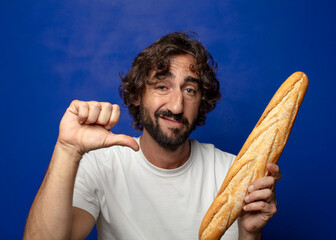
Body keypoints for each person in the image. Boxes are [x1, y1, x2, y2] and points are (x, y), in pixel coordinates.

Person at [24, 32, 280, 240]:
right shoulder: (101, 166)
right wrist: (67, 149)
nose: (177, 105)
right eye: (162, 86)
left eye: (190, 90)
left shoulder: (232, 172)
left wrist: (249, 233)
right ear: (137, 95)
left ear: (201, 102)